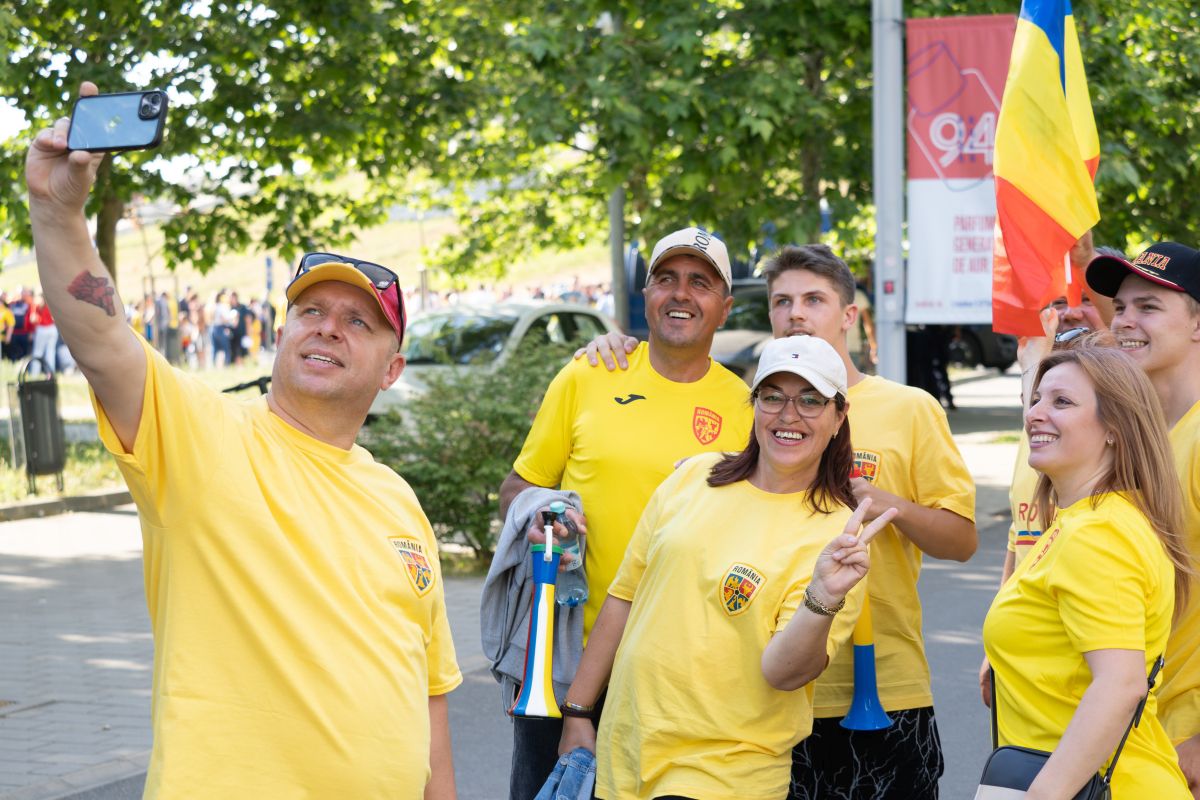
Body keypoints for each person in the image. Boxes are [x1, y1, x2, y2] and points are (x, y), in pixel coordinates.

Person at [25, 81, 460, 799]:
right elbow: (101, 338)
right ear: (281, 333)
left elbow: (431, 695)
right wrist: (57, 210)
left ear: (392, 368)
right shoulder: (200, 438)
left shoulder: (398, 502)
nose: (327, 326)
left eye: (359, 322)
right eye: (311, 310)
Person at [580, 243, 977, 799]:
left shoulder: (909, 407)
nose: (795, 313)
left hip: (881, 685)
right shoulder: (748, 406)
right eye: (780, 301)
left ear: (848, 316)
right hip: (756, 705)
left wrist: (887, 504)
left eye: (813, 299)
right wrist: (615, 345)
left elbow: (962, 541)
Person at [557, 335, 898, 799]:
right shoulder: (693, 476)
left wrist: (822, 598)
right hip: (628, 750)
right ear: (753, 406)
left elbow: (785, 674)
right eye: (772, 396)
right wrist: (578, 711)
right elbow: (624, 597)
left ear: (839, 418)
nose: (788, 414)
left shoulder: (838, 538)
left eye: (810, 400)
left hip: (727, 770)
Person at [496, 226, 753, 799]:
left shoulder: (743, 406)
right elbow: (517, 489)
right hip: (563, 662)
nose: (681, 293)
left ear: (724, 307)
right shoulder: (588, 375)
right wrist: (538, 512)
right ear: (647, 295)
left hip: (678, 673)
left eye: (700, 283)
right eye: (666, 279)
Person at [983, 344, 1192, 798]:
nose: (1036, 413)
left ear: (1115, 429)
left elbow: (1120, 685)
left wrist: (1043, 796)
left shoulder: (1099, 532)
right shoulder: (1088, 519)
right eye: (1037, 398)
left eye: (1062, 402)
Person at [977, 239, 1122, 708]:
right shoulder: (1040, 424)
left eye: (1086, 302)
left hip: (1084, 676)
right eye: (1058, 305)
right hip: (1023, 672)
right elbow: (1021, 538)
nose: (1071, 316)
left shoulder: (1126, 422)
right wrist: (994, 641)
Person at [1087, 241, 1200, 797]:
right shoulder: (1139, 437)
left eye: (1149, 307)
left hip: (1187, 737)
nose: (1125, 321)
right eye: (1121, 307)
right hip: (1138, 731)